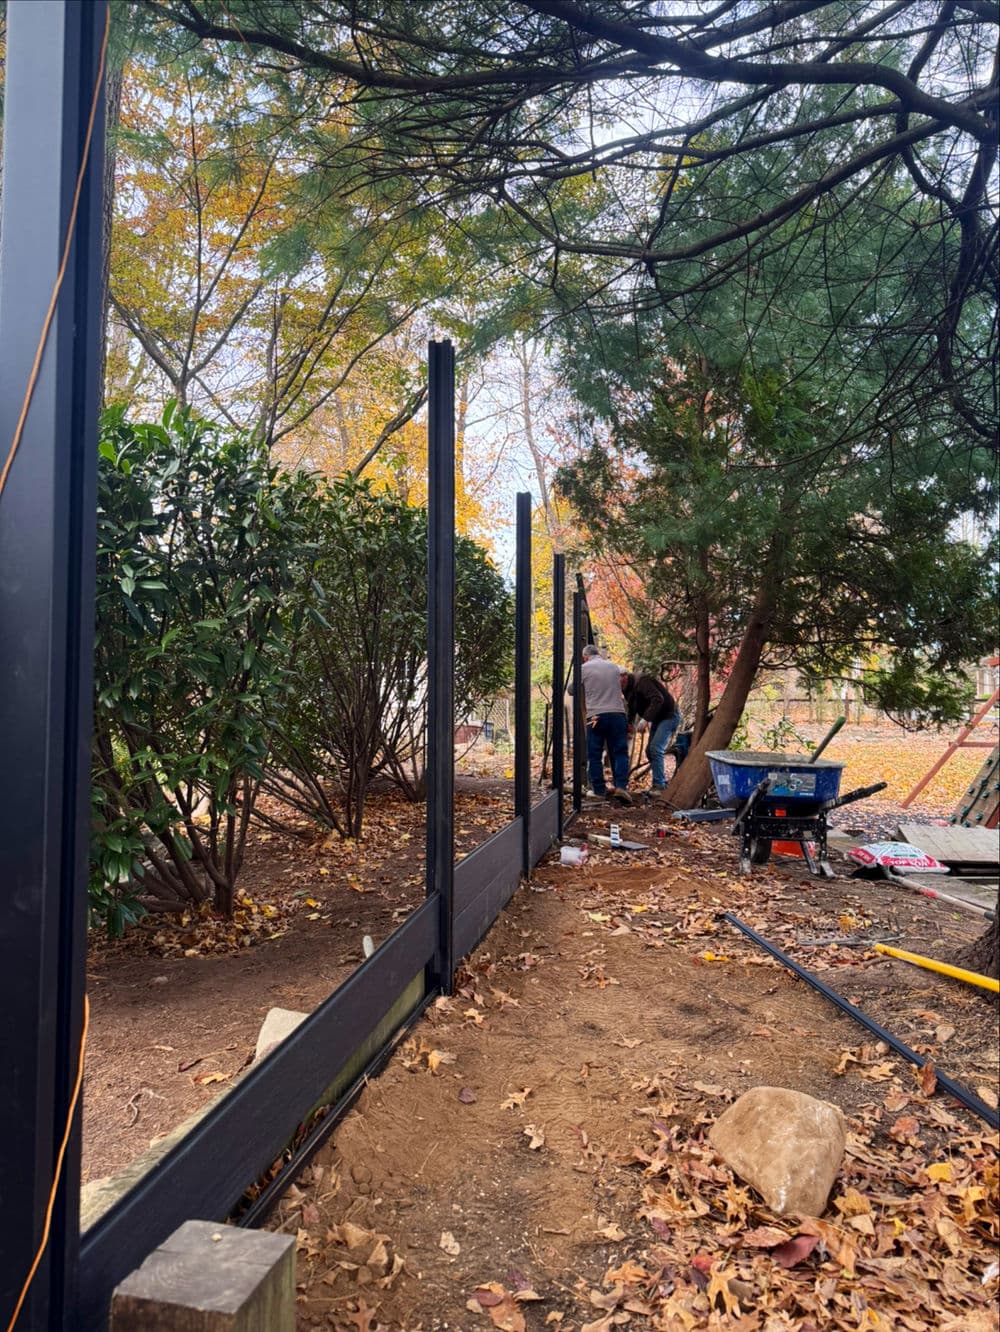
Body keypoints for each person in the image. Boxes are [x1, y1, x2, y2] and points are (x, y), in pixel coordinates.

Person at [568, 644, 633, 805]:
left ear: (585, 656)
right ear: (598, 654)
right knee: (620, 752)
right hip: (618, 714)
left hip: (596, 716)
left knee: (595, 754)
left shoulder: (584, 668)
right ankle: (621, 787)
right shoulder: (614, 667)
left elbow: (571, 690)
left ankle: (598, 791)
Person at [620, 670, 679, 799]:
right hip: (658, 719)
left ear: (624, 677)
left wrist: (645, 719)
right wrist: (629, 725)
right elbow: (631, 708)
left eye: (617, 680)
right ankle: (660, 783)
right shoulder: (626, 688)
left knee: (655, 748)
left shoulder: (642, 681)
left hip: (669, 716)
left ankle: (659, 786)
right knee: (649, 751)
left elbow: (658, 698)